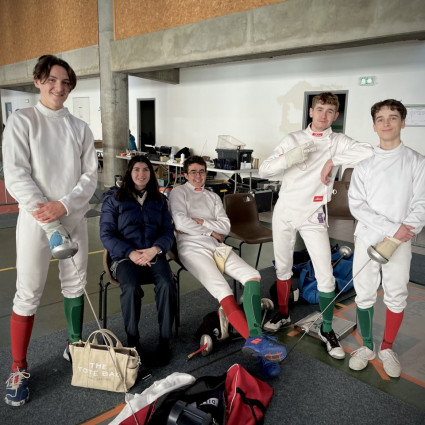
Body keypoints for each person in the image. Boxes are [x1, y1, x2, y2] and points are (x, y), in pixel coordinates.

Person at [2, 55, 98, 406]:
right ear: (38, 80)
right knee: (27, 293)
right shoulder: (22, 121)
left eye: (67, 83)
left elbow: (89, 177)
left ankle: (74, 344)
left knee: (76, 284)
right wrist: (49, 214)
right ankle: (18, 366)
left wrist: (65, 206)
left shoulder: (80, 127)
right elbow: (15, 174)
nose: (60, 87)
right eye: (54, 80)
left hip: (72, 217)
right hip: (36, 222)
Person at [258, 92, 373, 359]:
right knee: (283, 265)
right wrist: (290, 158)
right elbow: (265, 170)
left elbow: (369, 151)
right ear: (311, 112)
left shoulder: (337, 142)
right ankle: (284, 313)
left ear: (336, 116)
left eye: (330, 111)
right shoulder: (293, 139)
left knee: (325, 273)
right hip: (285, 210)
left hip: (314, 214)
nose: (324, 115)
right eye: (319, 109)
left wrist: (333, 161)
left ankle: (327, 328)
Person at [169, 156, 286, 378]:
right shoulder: (178, 193)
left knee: (252, 275)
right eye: (193, 172)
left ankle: (256, 339)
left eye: (201, 171)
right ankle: (262, 353)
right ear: (185, 174)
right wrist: (207, 229)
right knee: (224, 290)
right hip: (191, 249)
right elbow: (180, 223)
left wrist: (202, 223)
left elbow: (225, 226)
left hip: (216, 245)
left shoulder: (212, 196)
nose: (198, 176)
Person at [347, 99, 425, 377]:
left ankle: (387, 347)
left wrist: (402, 232)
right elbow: (357, 205)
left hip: (401, 241)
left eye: (393, 118)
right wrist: (391, 228)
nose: (387, 123)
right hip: (368, 237)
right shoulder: (365, 166)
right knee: (365, 291)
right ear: (374, 126)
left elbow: (421, 203)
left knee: (396, 293)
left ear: (403, 123)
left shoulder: (417, 162)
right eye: (381, 119)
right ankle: (367, 346)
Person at [100, 155, 176, 367]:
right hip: (125, 257)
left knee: (167, 283)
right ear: (129, 173)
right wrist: (131, 253)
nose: (141, 174)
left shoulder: (159, 200)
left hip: (153, 254)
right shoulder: (114, 199)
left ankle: (165, 340)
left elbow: (168, 232)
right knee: (131, 286)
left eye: (145, 170)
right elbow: (106, 235)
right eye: (136, 169)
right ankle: (133, 342)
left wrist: (155, 249)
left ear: (151, 174)